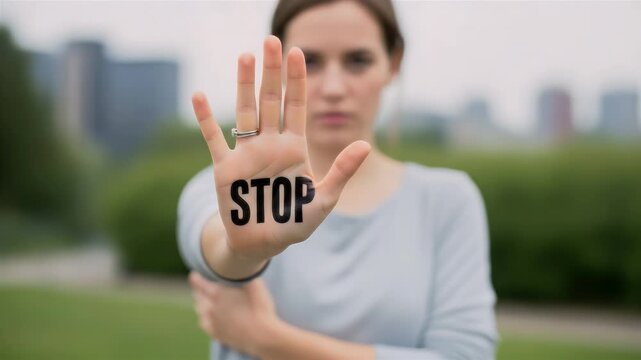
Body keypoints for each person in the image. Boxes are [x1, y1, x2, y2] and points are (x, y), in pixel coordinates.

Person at [177, 0, 498, 359]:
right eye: (309, 62)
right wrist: (243, 250)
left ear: (393, 64)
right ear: (280, 66)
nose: (333, 88)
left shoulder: (448, 201)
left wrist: (268, 340)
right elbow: (218, 247)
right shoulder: (229, 190)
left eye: (357, 61)